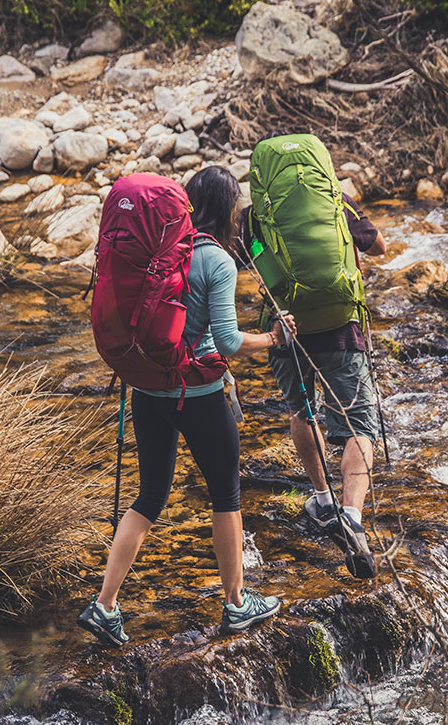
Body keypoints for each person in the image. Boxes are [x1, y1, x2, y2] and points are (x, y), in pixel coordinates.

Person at [78, 166, 294, 646]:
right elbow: (229, 341)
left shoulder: (159, 251)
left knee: (150, 496)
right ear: (228, 211)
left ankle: (105, 605)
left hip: (146, 389)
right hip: (197, 395)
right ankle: (238, 605)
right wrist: (274, 337)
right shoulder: (217, 262)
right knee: (226, 494)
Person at [241, 133, 387, 577]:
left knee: (303, 411)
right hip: (341, 324)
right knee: (360, 424)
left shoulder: (253, 218)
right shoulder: (335, 201)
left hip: (286, 328)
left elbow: (250, 261)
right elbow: (378, 246)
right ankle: (353, 516)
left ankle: (322, 500)